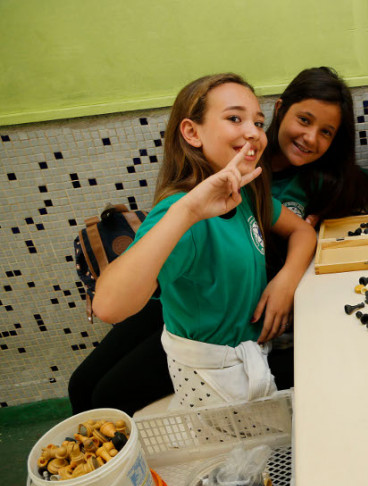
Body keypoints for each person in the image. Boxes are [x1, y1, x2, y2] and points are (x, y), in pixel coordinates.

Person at [92, 73, 316, 408]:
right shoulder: (182, 214)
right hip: (215, 381)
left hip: (252, 351)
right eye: (234, 118)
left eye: (257, 121)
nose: (253, 132)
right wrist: (188, 211)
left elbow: (303, 231)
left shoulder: (245, 190)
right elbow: (109, 307)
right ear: (192, 133)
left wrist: (285, 281)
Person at [266, 66, 368, 230]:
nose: (311, 139)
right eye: (304, 120)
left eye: (325, 132)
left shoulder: (322, 177)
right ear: (279, 109)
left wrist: (324, 212)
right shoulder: (245, 170)